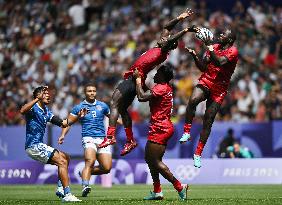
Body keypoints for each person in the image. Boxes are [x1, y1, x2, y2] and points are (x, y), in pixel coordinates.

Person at [99, 8, 196, 156]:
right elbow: (166, 28)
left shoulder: (163, 52)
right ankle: (130, 140)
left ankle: (110, 136)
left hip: (135, 77)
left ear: (169, 46)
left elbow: (170, 39)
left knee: (114, 104)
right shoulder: (160, 45)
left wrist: (186, 30)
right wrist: (179, 18)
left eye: (167, 40)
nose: (164, 38)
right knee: (123, 109)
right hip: (135, 77)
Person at [179, 27, 239, 168]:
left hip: (219, 88)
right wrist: (195, 56)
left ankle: (198, 153)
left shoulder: (233, 51)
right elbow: (203, 68)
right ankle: (186, 132)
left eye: (224, 34)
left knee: (208, 119)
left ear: (229, 40)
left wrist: (209, 46)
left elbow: (219, 62)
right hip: (207, 80)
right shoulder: (214, 46)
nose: (221, 34)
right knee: (193, 100)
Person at [20, 86, 86, 202]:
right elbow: (22, 110)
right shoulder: (33, 108)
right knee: (62, 161)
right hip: (33, 146)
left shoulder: (46, 112)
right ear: (38, 96)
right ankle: (67, 194)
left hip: (38, 145)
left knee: (66, 157)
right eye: (45, 93)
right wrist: (36, 99)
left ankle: (60, 188)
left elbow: (64, 123)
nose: (48, 95)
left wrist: (78, 117)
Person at [133, 65, 189, 201]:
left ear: (163, 75)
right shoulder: (166, 88)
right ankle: (157, 191)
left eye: (158, 73)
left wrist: (138, 80)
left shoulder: (161, 87)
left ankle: (179, 186)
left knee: (155, 161)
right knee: (150, 159)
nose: (155, 75)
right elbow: (149, 93)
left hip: (160, 127)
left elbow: (141, 97)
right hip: (162, 126)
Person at [58, 83, 119, 197]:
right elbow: (68, 123)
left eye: (93, 91)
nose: (92, 93)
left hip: (102, 139)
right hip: (88, 137)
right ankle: (85, 186)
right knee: (89, 161)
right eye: (89, 91)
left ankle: (84, 173)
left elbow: (113, 118)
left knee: (106, 168)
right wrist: (63, 135)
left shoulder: (103, 106)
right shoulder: (79, 107)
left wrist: (125, 125)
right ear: (85, 93)